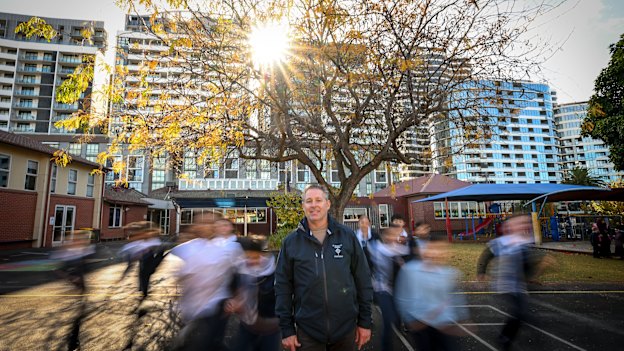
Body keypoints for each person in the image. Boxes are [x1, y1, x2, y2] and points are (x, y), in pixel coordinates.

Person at [275, 184, 373, 351]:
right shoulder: (291, 243)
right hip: (307, 333)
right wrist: (287, 329)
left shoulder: (346, 236)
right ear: (303, 206)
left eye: (318, 200)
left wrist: (365, 321)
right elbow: (282, 287)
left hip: (346, 329)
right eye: (309, 201)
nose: (314, 205)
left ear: (327, 204)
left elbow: (362, 279)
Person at [476, 215, 553, 351]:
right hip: (504, 284)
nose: (524, 226)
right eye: (520, 223)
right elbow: (486, 255)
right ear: (510, 226)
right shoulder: (503, 242)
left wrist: (541, 267)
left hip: (519, 286)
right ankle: (504, 338)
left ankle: (507, 337)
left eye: (526, 223)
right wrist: (481, 272)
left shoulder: (524, 245)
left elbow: (526, 267)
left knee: (521, 314)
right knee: (519, 312)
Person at [170, 214, 245, 351]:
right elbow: (173, 274)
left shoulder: (226, 250)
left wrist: (236, 298)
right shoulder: (184, 250)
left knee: (209, 342)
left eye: (211, 223)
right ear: (195, 226)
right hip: (190, 310)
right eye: (203, 222)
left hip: (215, 309)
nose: (207, 226)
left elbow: (238, 274)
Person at [395, 236, 468, 351]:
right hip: (420, 323)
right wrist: (409, 320)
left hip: (444, 324)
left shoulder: (450, 273)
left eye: (442, 249)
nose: (437, 253)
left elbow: (456, 295)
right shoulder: (410, 271)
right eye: (434, 249)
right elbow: (402, 297)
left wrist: (463, 317)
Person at [227, 235, 280, 351]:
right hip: (247, 325)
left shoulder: (274, 274)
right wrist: (233, 301)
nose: (251, 261)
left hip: (269, 327)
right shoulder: (240, 270)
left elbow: (278, 300)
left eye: (256, 257)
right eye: (248, 257)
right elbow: (232, 289)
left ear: (263, 255)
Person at [366, 223, 411, 351]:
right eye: (391, 235)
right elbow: (376, 249)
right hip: (381, 290)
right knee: (388, 319)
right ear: (385, 236)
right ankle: (386, 347)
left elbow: (407, 251)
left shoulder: (396, 248)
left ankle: (397, 327)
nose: (394, 237)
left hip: (394, 290)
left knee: (396, 316)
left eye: (395, 235)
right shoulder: (379, 249)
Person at [118, 221, 166, 298]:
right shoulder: (140, 242)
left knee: (145, 273)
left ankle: (144, 290)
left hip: (150, 258)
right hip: (146, 256)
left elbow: (157, 247)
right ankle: (143, 288)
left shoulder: (150, 239)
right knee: (143, 272)